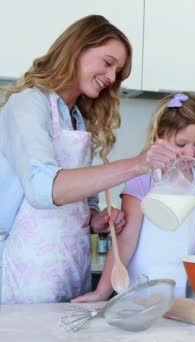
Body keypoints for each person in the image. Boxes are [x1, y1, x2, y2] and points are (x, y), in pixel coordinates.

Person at [0, 15, 179, 304]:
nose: (111, 77)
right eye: (107, 63)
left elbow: (76, 203)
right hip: (25, 272)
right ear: (77, 49)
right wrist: (137, 164)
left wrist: (94, 219)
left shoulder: (77, 120)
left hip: (71, 269)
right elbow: (44, 187)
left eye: (117, 71)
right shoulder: (28, 104)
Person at [73, 92, 195, 302]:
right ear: (160, 138)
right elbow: (125, 242)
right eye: (181, 144)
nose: (190, 152)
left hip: (185, 292)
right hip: (140, 292)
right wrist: (102, 292)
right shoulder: (143, 180)